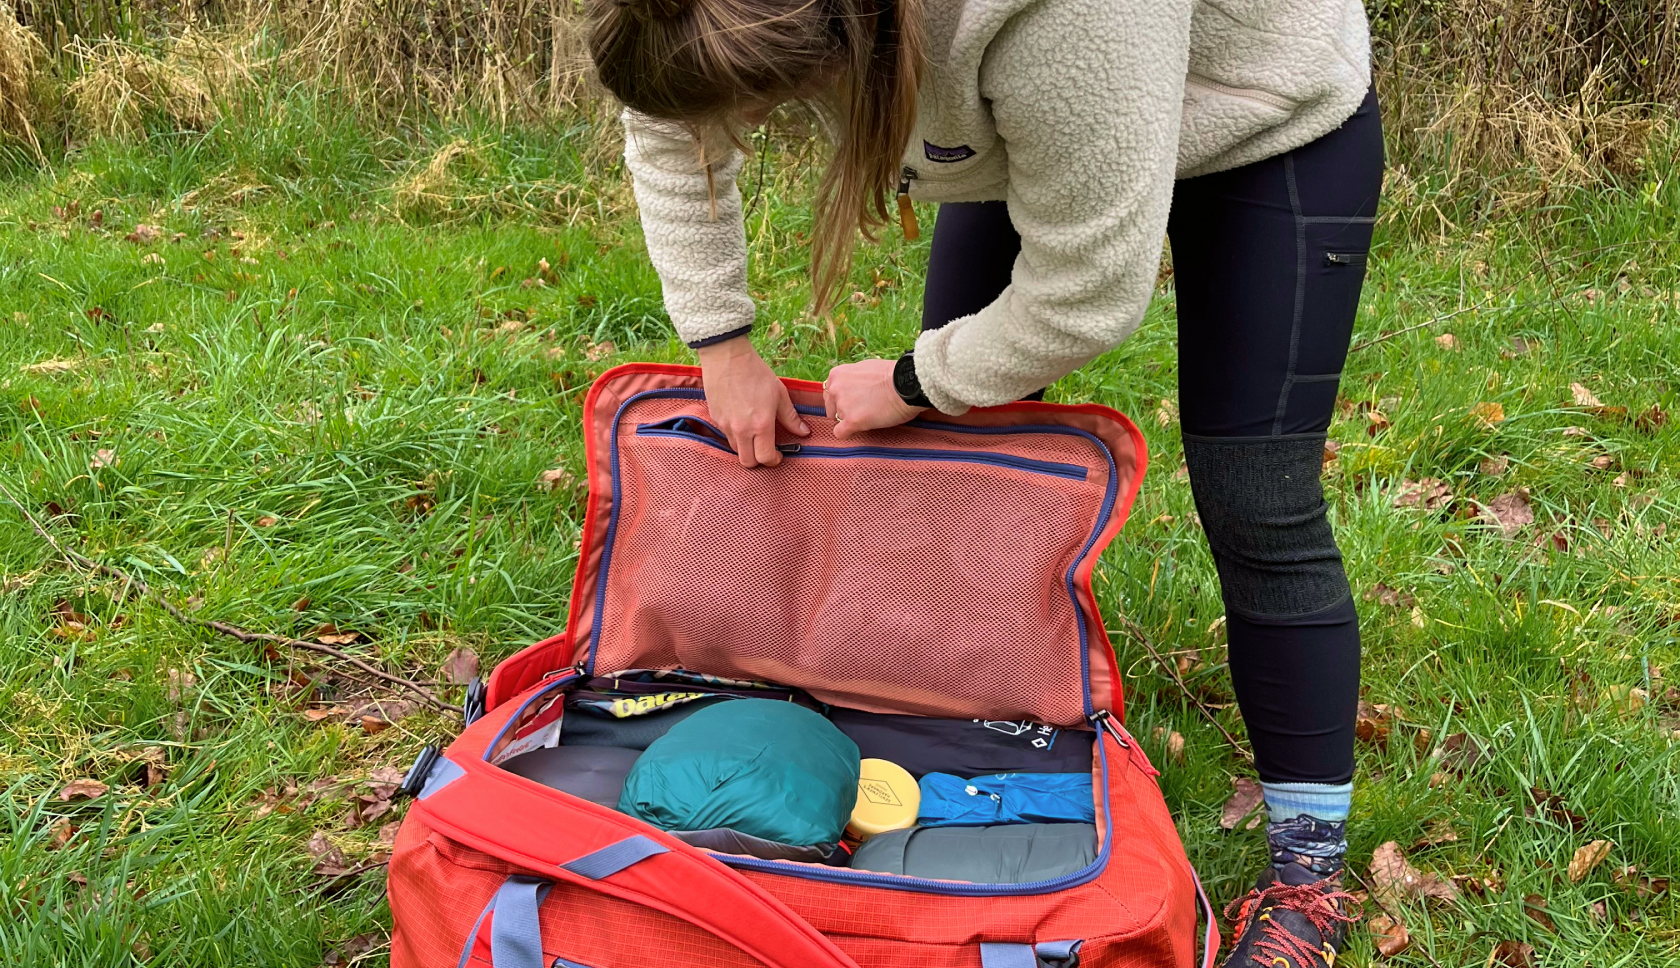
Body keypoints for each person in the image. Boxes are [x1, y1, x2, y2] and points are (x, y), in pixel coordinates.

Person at [588, 0, 1380, 962]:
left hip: (1261, 120)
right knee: (957, 483)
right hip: (1019, 120)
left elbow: (1086, 291)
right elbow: (671, 112)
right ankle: (971, 756)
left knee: (1257, 499)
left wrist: (918, 382)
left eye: (773, 103)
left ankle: (1308, 873)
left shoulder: (1066, 18)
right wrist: (720, 343)